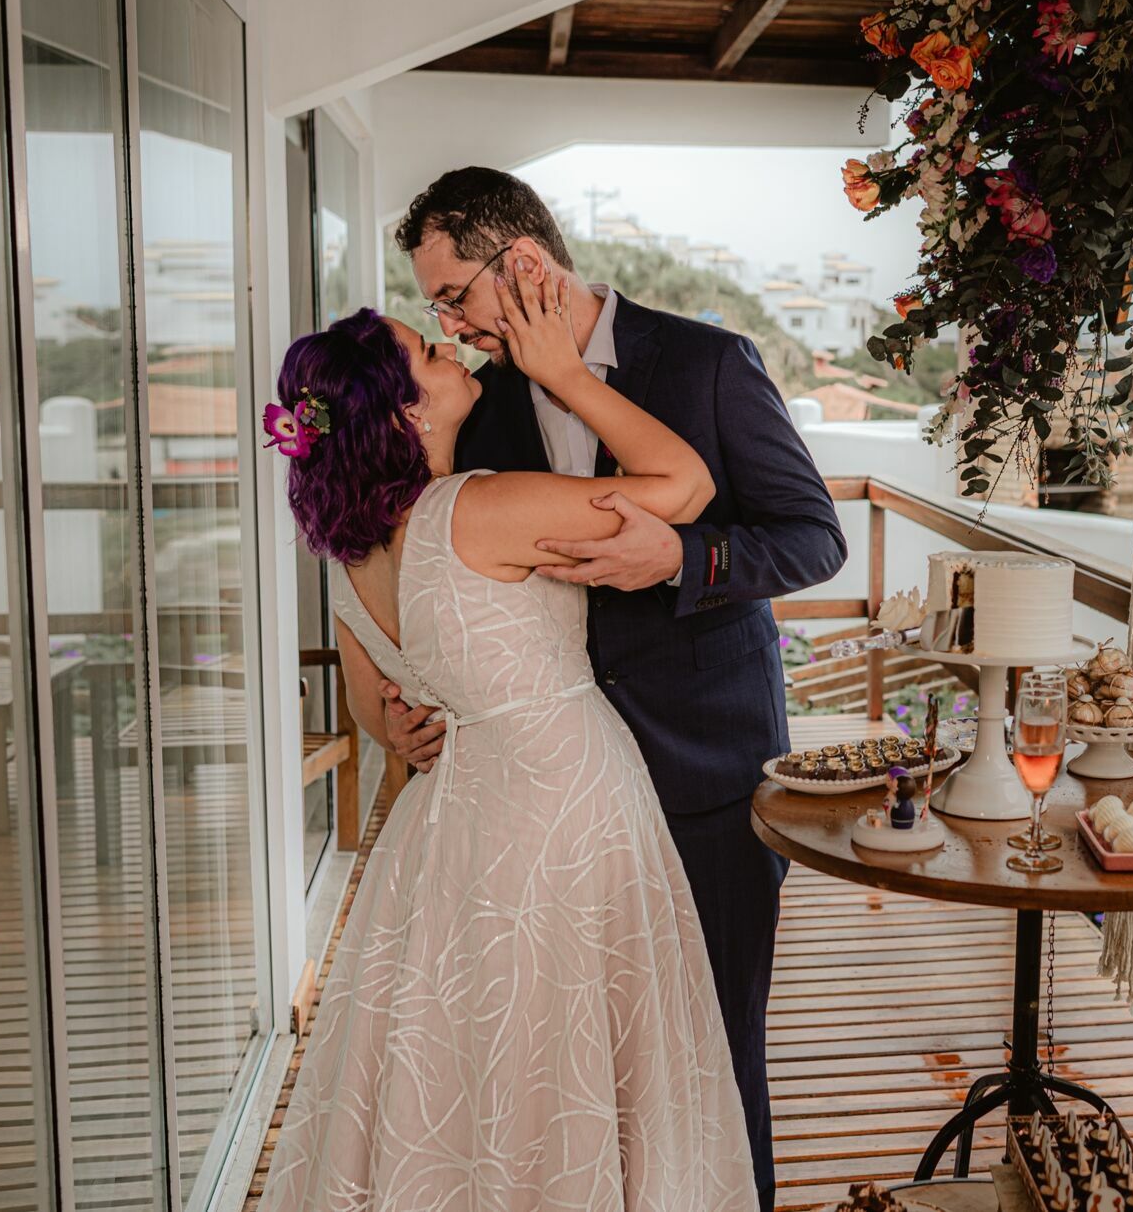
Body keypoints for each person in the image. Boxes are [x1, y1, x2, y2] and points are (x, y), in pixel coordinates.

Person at [374, 166, 846, 1209]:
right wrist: (422, 706)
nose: (446, 322)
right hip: (556, 807)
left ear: (525, 264)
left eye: (453, 294)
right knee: (585, 1076)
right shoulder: (478, 408)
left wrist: (680, 561)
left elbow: (813, 538)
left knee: (715, 1061)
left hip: (705, 777)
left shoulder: (710, 363)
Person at [258, 269, 756, 1210]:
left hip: (449, 833)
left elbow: (379, 711)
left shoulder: (350, 553)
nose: (451, 350)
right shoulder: (479, 508)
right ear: (402, 413)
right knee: (564, 1055)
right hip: (563, 813)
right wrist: (566, 375)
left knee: (474, 1064)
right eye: (427, 353)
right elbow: (685, 486)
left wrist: (404, 725)